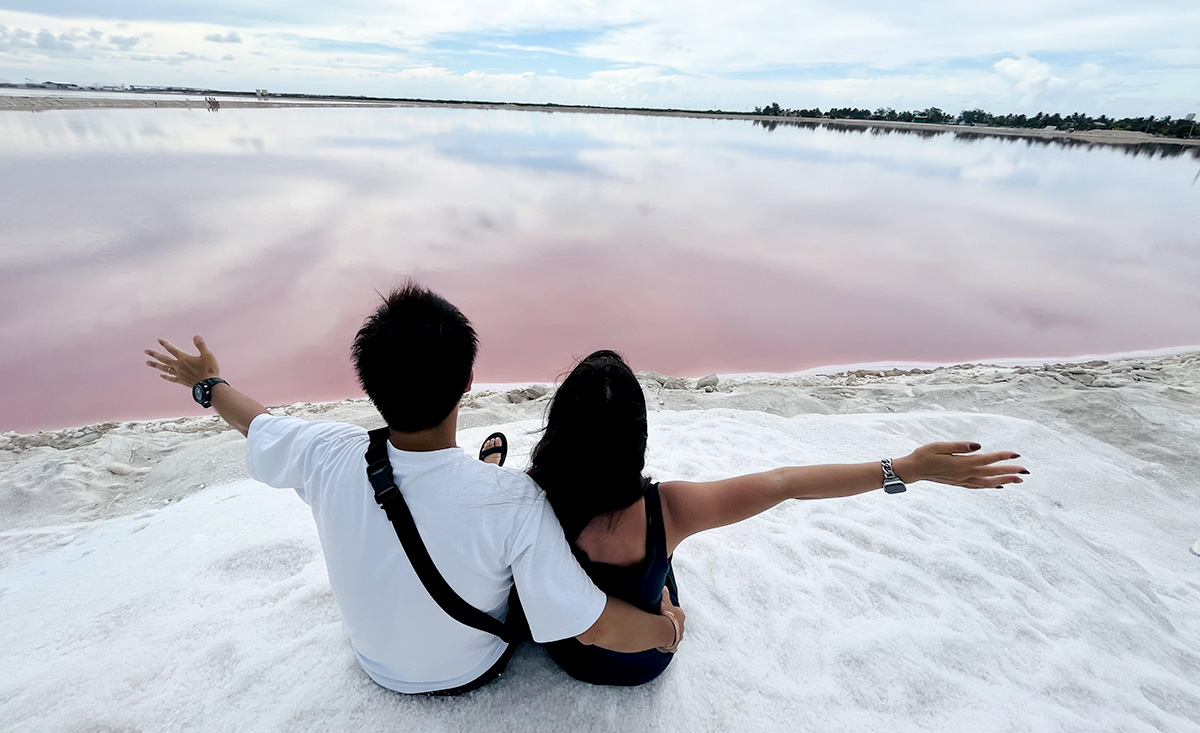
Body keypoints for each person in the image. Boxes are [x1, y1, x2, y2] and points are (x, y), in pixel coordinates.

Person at [143, 284, 685, 695]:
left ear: (369, 382)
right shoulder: (516, 501)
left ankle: (479, 466)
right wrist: (666, 630)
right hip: (470, 670)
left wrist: (208, 385)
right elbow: (593, 626)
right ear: (468, 382)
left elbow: (257, 423)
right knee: (524, 559)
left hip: (375, 665)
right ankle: (480, 468)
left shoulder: (329, 452)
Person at [516, 350, 1028, 686]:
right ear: (637, 439)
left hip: (565, 652)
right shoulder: (670, 508)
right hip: (638, 663)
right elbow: (787, 484)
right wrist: (906, 469)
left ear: (558, 429)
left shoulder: (530, 498)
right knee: (661, 563)